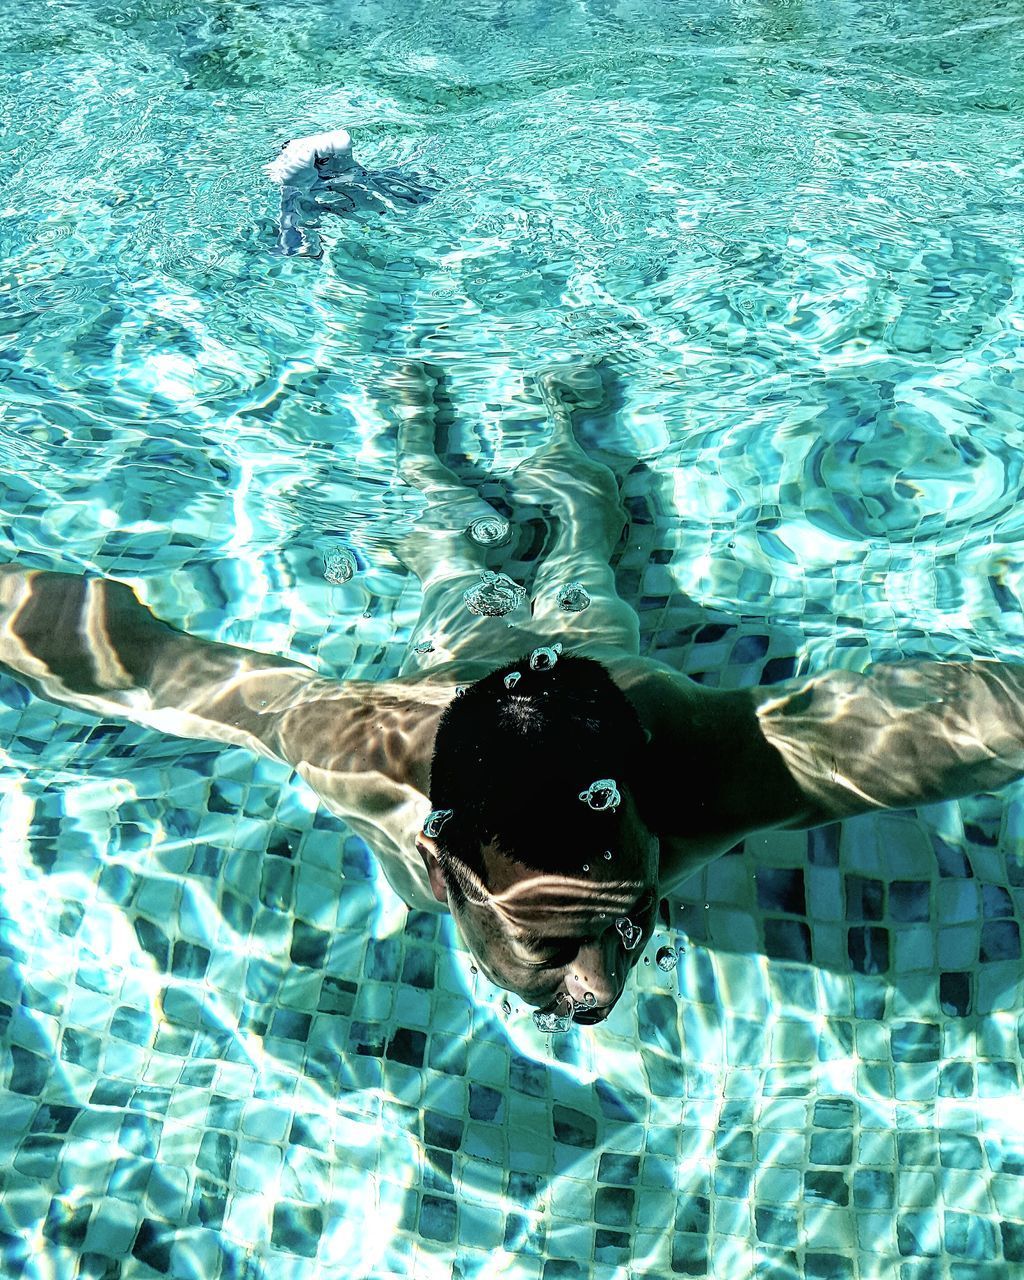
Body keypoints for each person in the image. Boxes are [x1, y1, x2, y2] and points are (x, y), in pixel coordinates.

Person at [2, 362, 1024, 1030]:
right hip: (478, 673)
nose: (593, 988)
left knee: (583, 564)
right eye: (576, 935)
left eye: (622, 916)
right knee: (463, 559)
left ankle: (563, 424)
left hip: (595, 670)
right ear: (439, 863)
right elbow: (127, 655)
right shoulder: (356, 745)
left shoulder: (707, 770)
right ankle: (423, 432)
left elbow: (976, 721)